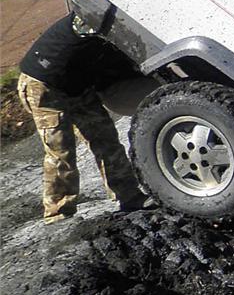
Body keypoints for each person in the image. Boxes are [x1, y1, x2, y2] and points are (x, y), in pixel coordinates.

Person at [17, 13, 150, 223]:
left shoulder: (112, 24)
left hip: (77, 84)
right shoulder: (95, 18)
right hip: (44, 84)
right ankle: (58, 213)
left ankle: (129, 196)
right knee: (60, 149)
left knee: (106, 140)